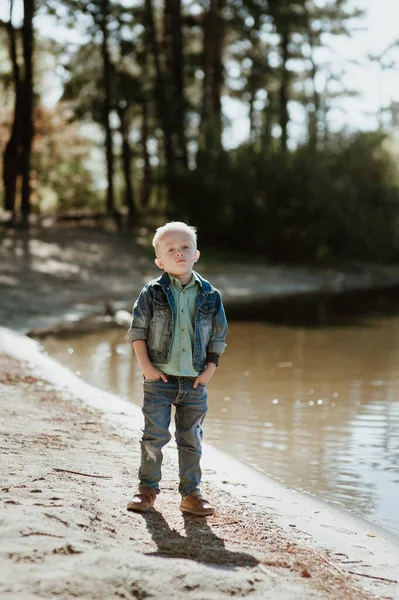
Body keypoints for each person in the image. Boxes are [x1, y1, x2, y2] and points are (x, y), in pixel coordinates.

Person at [126, 221, 228, 516]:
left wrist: (210, 369)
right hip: (159, 378)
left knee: (191, 438)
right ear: (160, 260)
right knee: (154, 435)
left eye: (185, 247)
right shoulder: (152, 292)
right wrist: (147, 368)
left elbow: (218, 335)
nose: (179, 253)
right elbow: (137, 332)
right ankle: (147, 488)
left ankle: (191, 493)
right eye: (171, 250)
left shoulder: (210, 295)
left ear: (196, 254)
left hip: (195, 381)